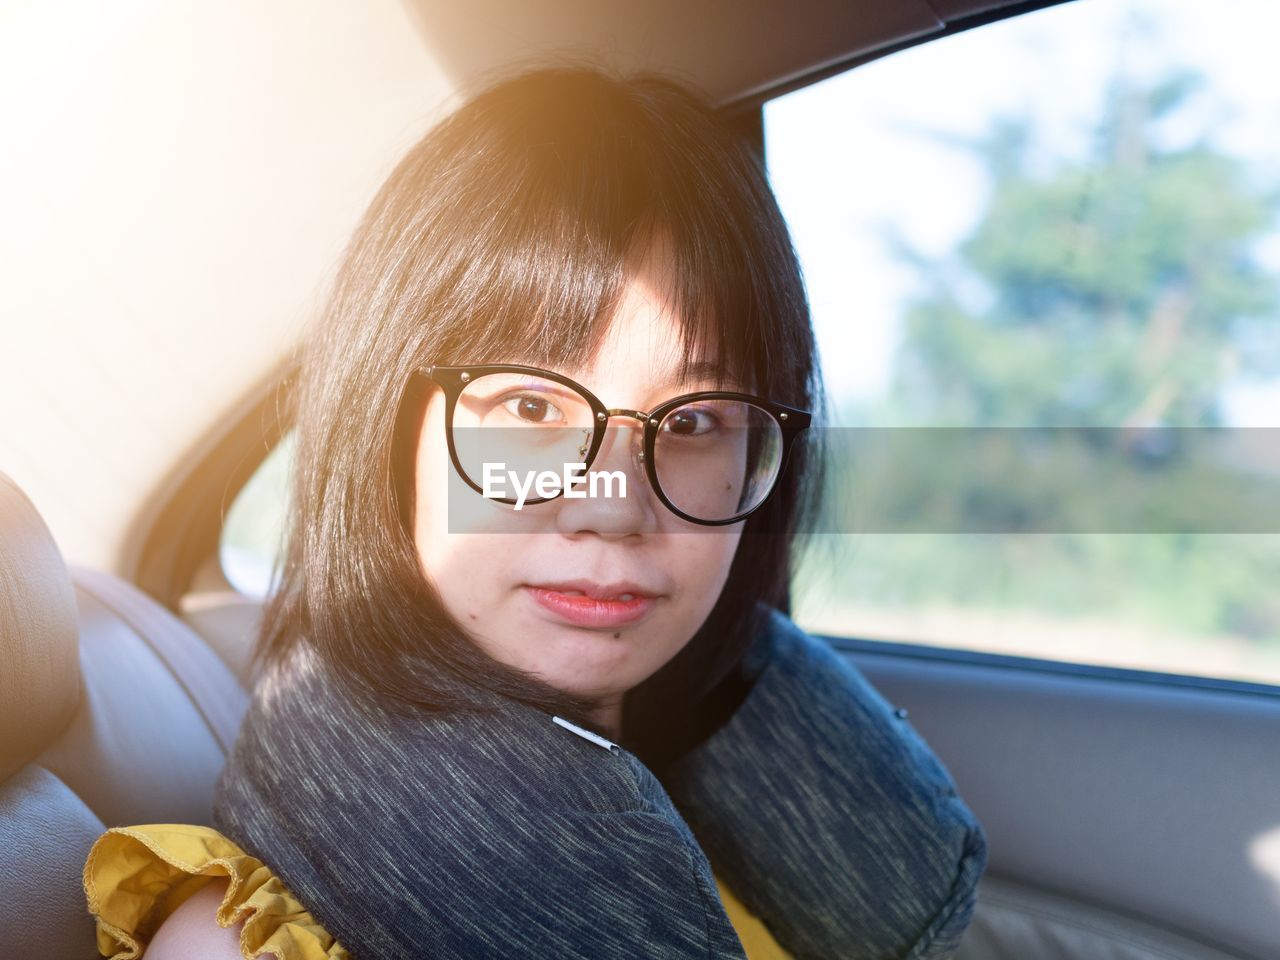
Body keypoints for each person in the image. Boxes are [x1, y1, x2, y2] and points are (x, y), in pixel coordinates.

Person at [83, 66, 987, 959]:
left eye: (697, 420)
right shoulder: (242, 943)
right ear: (389, 429)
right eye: (530, 409)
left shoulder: (712, 842)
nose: (617, 507)